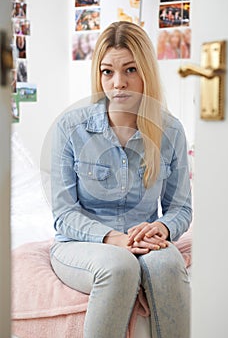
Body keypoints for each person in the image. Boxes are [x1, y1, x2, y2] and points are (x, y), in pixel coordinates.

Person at [50, 21, 192, 338]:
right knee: (119, 267)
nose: (118, 84)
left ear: (146, 73)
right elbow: (63, 214)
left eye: (130, 70)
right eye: (107, 72)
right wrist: (115, 239)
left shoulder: (171, 131)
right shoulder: (70, 127)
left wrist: (162, 227)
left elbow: (181, 208)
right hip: (82, 244)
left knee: (168, 265)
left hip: (147, 238)